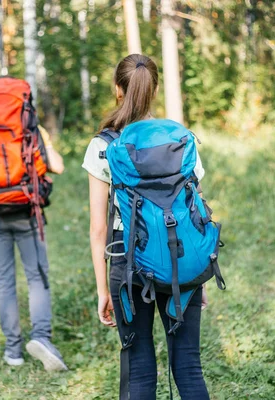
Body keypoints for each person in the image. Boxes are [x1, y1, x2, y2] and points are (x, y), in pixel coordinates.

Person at [82, 54, 210, 399]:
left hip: (128, 262)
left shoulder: (103, 147)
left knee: (138, 370)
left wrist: (102, 291)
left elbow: (98, 230)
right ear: (154, 89)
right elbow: (194, 212)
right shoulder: (180, 140)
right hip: (180, 255)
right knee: (188, 365)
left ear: (117, 89)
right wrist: (197, 273)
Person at [0, 125, 67, 371]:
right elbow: (57, 166)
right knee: (36, 277)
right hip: (27, 210)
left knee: (4, 280)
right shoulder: (32, 127)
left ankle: (13, 350)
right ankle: (41, 337)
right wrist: (44, 148)